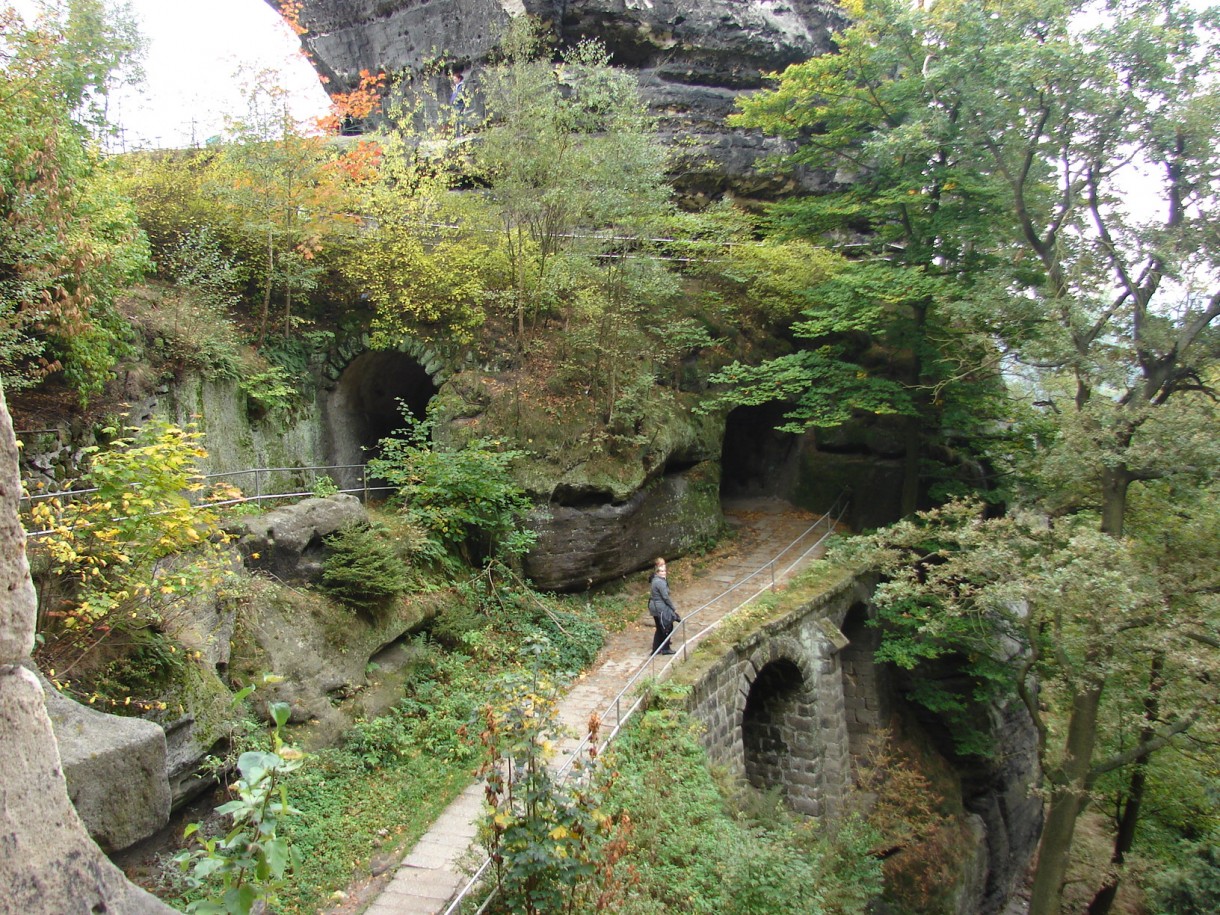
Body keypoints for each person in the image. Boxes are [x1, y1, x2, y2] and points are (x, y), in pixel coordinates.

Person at [648, 557, 680, 655]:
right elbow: (665, 597)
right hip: (659, 607)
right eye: (661, 570)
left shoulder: (657, 579)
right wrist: (672, 608)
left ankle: (656, 648)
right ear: (657, 571)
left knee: (660, 627)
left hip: (655, 606)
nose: (664, 572)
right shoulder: (659, 582)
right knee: (667, 626)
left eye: (664, 570)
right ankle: (665, 648)